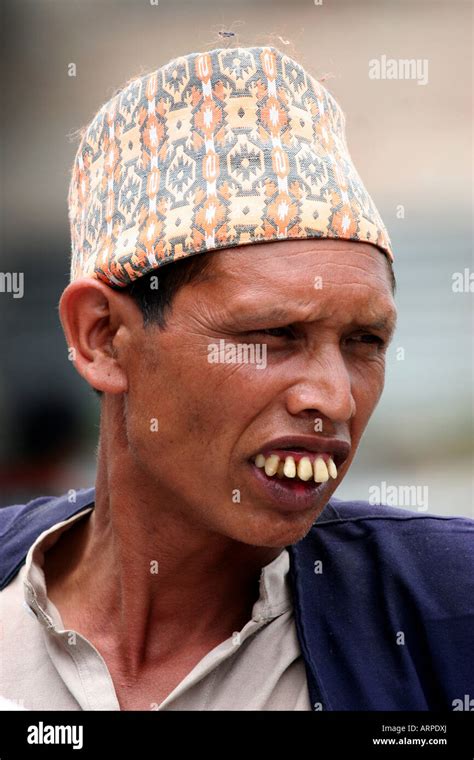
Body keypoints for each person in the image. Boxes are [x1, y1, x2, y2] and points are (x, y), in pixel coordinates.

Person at [0, 45, 472, 712]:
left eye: (365, 342)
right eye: (273, 336)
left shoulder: (447, 617)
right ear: (103, 337)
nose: (334, 399)